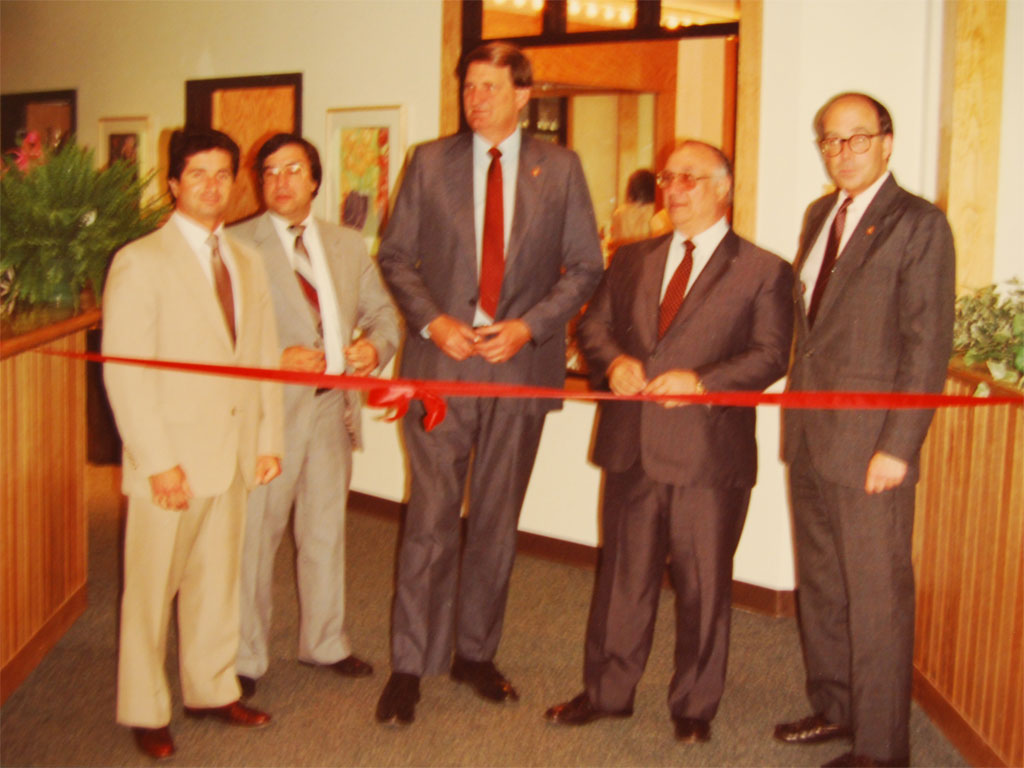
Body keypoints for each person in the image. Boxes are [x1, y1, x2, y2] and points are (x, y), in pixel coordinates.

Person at [374, 41, 604, 726]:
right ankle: (410, 664)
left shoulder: (559, 168)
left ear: (524, 95)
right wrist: (433, 322)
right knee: (430, 520)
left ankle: (475, 652)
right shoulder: (428, 162)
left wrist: (529, 328)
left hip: (517, 371)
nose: (476, 99)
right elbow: (394, 255)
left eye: (491, 88)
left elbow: (584, 268)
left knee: (497, 519)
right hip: (441, 368)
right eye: (469, 87)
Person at [544, 140, 794, 743]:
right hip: (633, 447)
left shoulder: (764, 269)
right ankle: (607, 693)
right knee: (622, 578)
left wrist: (704, 381)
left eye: (689, 178)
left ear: (722, 188)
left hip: (710, 454)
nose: (674, 190)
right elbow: (594, 326)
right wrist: (616, 362)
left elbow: (769, 354)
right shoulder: (631, 258)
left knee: (704, 586)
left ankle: (694, 706)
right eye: (667, 178)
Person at [774, 92, 955, 768]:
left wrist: (897, 448)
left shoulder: (919, 224)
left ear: (886, 142)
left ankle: (882, 750)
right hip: (811, 433)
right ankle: (836, 708)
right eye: (830, 139)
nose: (841, 151)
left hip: (872, 446)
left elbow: (925, 344)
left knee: (877, 596)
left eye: (856, 138)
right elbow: (813, 332)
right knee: (822, 581)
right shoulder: (821, 214)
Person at [102, 128, 284, 760]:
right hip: (170, 463)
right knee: (151, 592)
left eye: (223, 173)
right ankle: (145, 707)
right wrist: (157, 463)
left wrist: (267, 438)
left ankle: (211, 688)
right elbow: (124, 372)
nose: (212, 185)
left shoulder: (246, 260)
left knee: (216, 582)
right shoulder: (139, 260)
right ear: (174, 183)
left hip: (231, 454)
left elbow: (260, 358)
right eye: (198, 174)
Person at [227, 134, 399, 698]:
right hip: (267, 417)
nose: (280, 181)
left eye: (293, 170)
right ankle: (245, 656)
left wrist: (375, 349)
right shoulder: (234, 244)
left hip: (330, 410)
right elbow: (213, 334)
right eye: (269, 171)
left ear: (315, 180)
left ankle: (325, 642)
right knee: (256, 537)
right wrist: (271, 359)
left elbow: (383, 316)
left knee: (324, 531)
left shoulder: (347, 245)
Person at [607, 168, 657, 253]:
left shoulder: (620, 213)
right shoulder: (657, 211)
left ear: (631, 188)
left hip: (627, 262)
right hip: (649, 262)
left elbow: (614, 244)